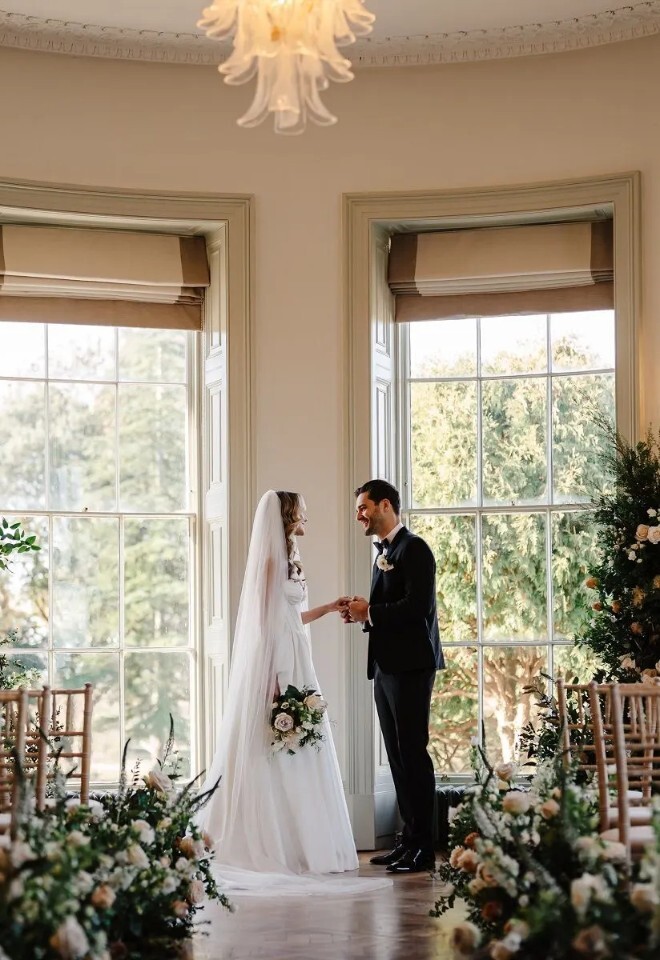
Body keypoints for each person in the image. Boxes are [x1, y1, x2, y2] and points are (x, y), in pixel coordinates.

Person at [199, 490, 388, 894]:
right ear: (287, 517)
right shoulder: (271, 562)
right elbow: (263, 624)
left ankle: (302, 842)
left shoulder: (291, 560)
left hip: (297, 655)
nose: (306, 519)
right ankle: (271, 841)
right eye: (301, 513)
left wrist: (328, 608)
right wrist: (271, 674)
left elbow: (290, 617)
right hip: (278, 660)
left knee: (301, 743)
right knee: (273, 742)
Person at [345, 479, 444, 874]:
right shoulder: (383, 555)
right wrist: (363, 614)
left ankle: (424, 847)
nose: (359, 515)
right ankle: (408, 840)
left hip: (412, 666)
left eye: (363, 507)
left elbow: (418, 607)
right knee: (397, 756)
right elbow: (389, 609)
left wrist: (370, 611)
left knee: (413, 753)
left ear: (385, 505)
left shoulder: (414, 548)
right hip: (386, 667)